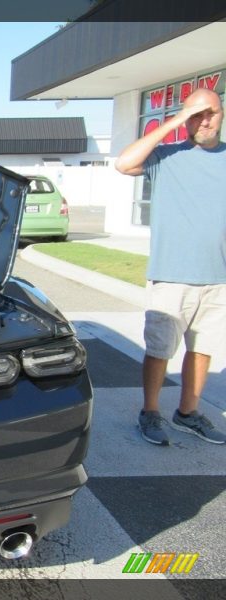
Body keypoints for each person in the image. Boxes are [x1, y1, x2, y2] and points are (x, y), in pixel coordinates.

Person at [115, 87, 226, 446]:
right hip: (172, 275)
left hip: (218, 277)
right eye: (197, 114)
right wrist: (178, 119)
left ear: (222, 114)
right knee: (160, 350)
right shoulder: (166, 157)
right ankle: (150, 412)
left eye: (212, 112)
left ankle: (188, 413)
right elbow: (123, 163)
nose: (205, 120)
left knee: (203, 349)